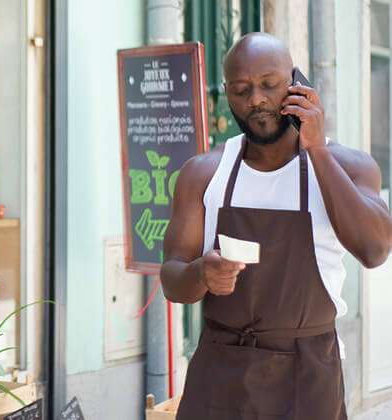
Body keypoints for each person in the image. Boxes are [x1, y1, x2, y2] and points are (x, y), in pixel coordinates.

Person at [160, 32, 392, 420]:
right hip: (220, 372)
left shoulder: (349, 167)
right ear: (226, 94)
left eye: (269, 85)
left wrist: (316, 149)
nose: (256, 100)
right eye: (241, 89)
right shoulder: (203, 173)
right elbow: (172, 279)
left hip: (308, 375)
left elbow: (375, 250)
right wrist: (202, 273)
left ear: (296, 84)